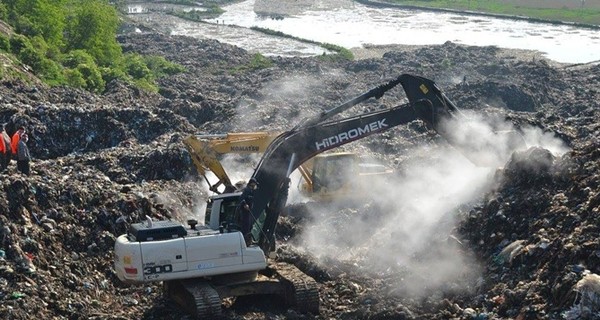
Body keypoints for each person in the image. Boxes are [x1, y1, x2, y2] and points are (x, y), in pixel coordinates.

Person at [238, 177, 258, 245]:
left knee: (249, 226)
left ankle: (249, 240)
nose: (255, 186)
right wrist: (245, 204)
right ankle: (245, 241)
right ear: (251, 183)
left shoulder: (251, 191)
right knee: (245, 227)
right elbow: (241, 198)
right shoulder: (247, 190)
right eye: (254, 184)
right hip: (245, 212)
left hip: (249, 212)